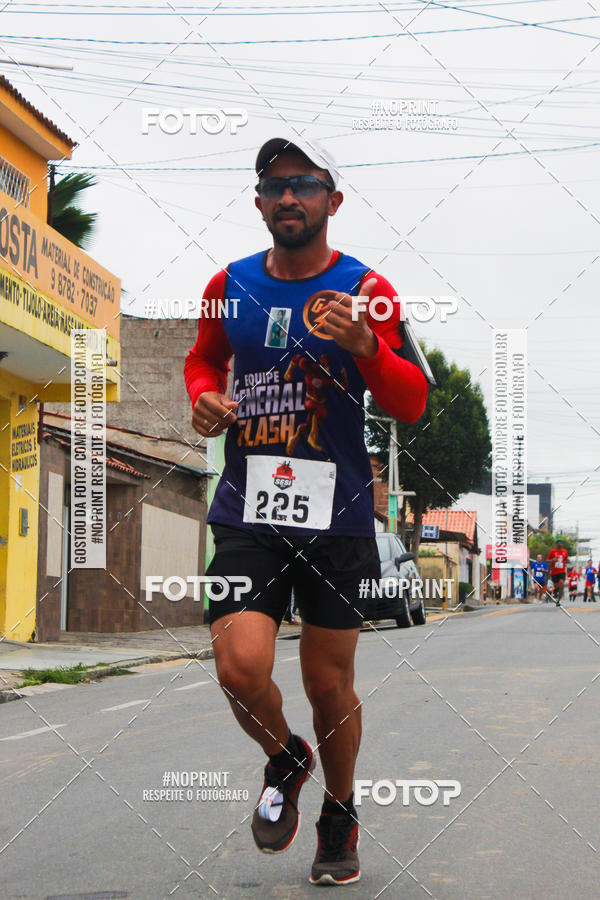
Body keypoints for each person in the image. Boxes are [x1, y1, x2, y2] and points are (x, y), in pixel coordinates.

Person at [184, 136, 430, 886]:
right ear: (258, 202)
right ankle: (287, 756)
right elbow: (202, 359)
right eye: (275, 185)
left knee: (329, 683)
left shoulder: (370, 288)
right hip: (249, 507)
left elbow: (411, 400)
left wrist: (366, 346)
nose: (290, 197)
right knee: (240, 665)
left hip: (340, 516)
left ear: (333, 199)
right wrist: (201, 397)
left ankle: (340, 810)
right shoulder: (227, 284)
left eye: (305, 184)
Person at [547, 539, 569, 607]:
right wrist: (552, 560)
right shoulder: (552, 551)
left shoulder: (565, 552)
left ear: (562, 544)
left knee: (561, 584)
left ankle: (558, 600)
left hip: (562, 571)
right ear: (556, 544)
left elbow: (566, 560)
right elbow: (547, 560)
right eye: (558, 543)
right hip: (554, 572)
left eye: (561, 543)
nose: (559, 544)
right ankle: (554, 592)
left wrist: (567, 561)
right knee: (557, 586)